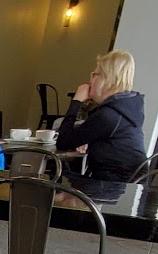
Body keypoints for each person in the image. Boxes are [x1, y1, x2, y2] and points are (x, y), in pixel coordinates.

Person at [56, 51, 145, 183]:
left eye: (94, 75)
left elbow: (63, 141)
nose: (90, 81)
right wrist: (90, 138)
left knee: (51, 188)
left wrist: (76, 101)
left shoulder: (109, 115)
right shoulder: (126, 108)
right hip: (129, 185)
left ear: (106, 78)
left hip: (113, 186)